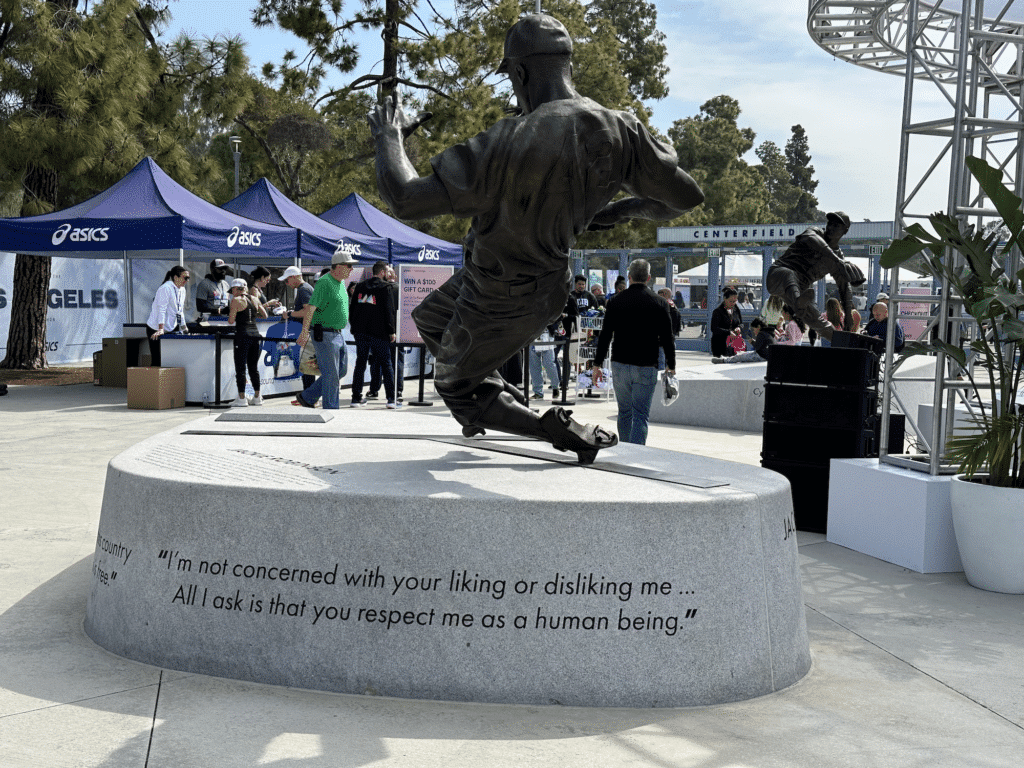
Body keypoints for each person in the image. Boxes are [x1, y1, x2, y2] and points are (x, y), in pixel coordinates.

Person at [368, 13, 704, 463]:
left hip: (501, 292)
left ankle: (552, 427)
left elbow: (407, 198)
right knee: (431, 318)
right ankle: (490, 397)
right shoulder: (620, 128)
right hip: (537, 284)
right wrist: (616, 211)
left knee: (453, 384)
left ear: (521, 73)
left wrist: (388, 138)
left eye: (512, 79)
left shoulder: (510, 139)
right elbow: (684, 196)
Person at [591, 258, 675, 445]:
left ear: (629, 277)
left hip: (620, 362)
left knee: (625, 412)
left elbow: (605, 336)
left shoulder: (614, 301)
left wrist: (597, 365)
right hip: (646, 363)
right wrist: (671, 364)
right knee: (640, 414)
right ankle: (635, 455)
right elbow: (668, 337)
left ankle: (624, 451)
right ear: (649, 277)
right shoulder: (660, 303)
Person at [765, 211, 865, 343]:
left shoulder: (839, 259)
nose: (831, 228)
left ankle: (843, 344)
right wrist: (837, 261)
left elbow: (844, 287)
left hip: (801, 291)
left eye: (836, 226)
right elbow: (810, 239)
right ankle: (798, 303)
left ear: (845, 231)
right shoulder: (815, 232)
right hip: (777, 276)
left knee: (818, 321)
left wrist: (848, 315)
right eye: (830, 224)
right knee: (789, 274)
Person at [294, 249, 358, 410]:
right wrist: (304, 332)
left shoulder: (341, 282)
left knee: (340, 371)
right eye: (349, 266)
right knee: (331, 375)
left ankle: (308, 396)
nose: (352, 269)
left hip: (337, 333)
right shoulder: (324, 282)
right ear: (338, 266)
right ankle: (331, 409)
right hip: (325, 333)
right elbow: (310, 308)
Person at [349, 260, 400, 409]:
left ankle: (355, 398)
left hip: (361, 332)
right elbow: (388, 310)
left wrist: (354, 328)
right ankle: (391, 399)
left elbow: (353, 310)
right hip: (380, 332)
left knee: (360, 363)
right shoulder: (386, 287)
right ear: (383, 272)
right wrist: (391, 331)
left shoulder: (359, 286)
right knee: (386, 364)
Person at [365, 265, 405, 403]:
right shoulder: (401, 289)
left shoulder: (378, 289)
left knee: (377, 361)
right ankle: (398, 391)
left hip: (379, 331)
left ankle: (374, 389)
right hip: (397, 331)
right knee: (396, 361)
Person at [227, 277, 267, 406]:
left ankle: (242, 398)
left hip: (242, 335)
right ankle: (257, 397)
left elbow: (231, 321)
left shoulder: (236, 300)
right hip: (255, 334)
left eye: (232, 290)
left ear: (235, 289)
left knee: (240, 368)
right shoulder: (254, 299)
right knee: (253, 368)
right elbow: (265, 315)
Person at [280, 266, 316, 390]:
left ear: (293, 277)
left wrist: (290, 314)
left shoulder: (304, 289)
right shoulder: (306, 288)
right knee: (307, 366)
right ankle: (308, 396)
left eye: (287, 280)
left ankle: (308, 397)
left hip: (305, 333)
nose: (286, 283)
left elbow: (308, 311)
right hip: (307, 332)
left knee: (306, 367)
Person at [145, 265, 189, 366]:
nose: (187, 280)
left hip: (170, 327)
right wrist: (161, 329)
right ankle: (154, 380)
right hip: (155, 327)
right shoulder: (165, 288)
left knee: (169, 359)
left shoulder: (182, 290)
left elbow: (180, 310)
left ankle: (167, 380)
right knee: (157, 360)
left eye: (188, 278)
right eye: (185, 278)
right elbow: (162, 309)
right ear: (176, 277)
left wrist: (184, 328)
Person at [529, 323, 562, 400]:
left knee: (549, 364)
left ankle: (555, 386)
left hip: (547, 335)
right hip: (532, 335)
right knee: (534, 366)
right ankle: (538, 392)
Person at [710, 287, 743, 357]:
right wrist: (728, 332)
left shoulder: (736, 310)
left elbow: (741, 323)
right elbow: (714, 328)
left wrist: (739, 327)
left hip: (733, 345)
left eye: (735, 301)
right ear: (725, 299)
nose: (733, 303)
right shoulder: (718, 311)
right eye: (730, 301)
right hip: (720, 344)